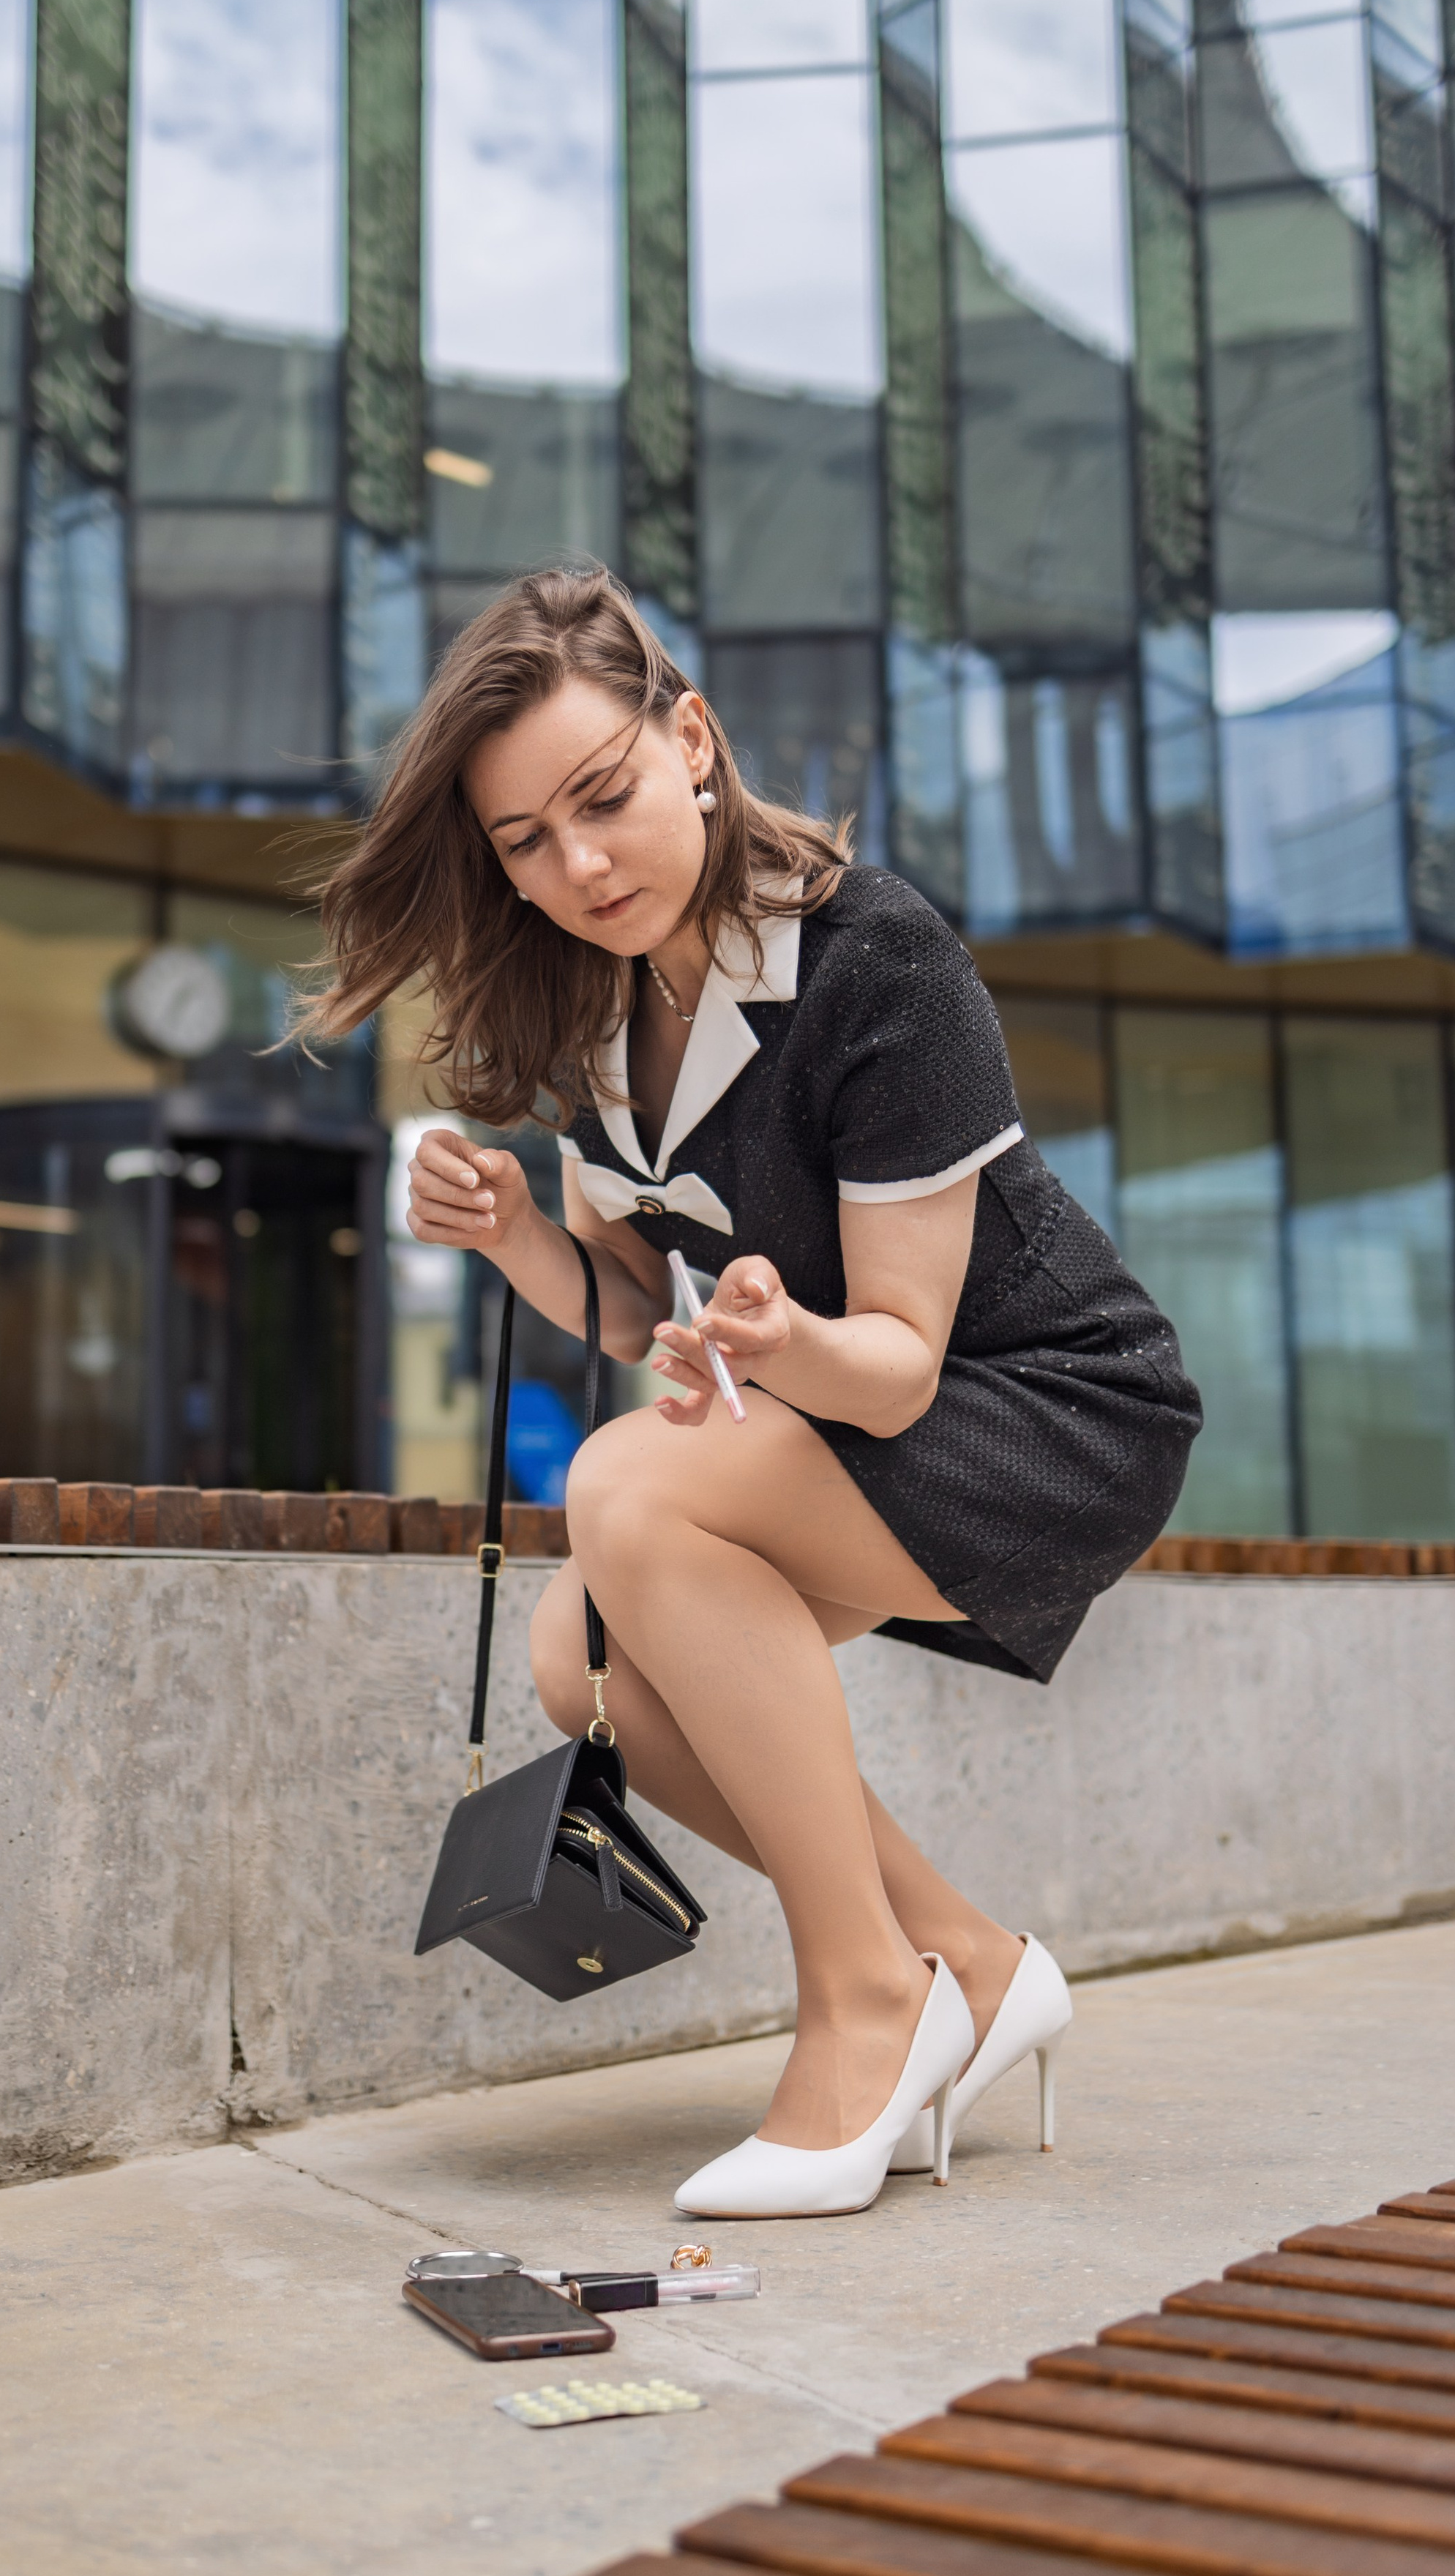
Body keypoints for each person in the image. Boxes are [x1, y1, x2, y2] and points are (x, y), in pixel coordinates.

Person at [306, 567, 1201, 2219]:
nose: (577, 867)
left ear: (692, 742)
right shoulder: (583, 1001)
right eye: (523, 841)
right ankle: (966, 1962)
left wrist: (777, 1344)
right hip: (835, 1418)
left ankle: (864, 1997)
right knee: (582, 1658)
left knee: (629, 1485)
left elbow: (899, 1360)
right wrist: (513, 1230)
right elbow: (633, 1303)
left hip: (1045, 1409)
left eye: (604, 799)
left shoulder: (874, 965)